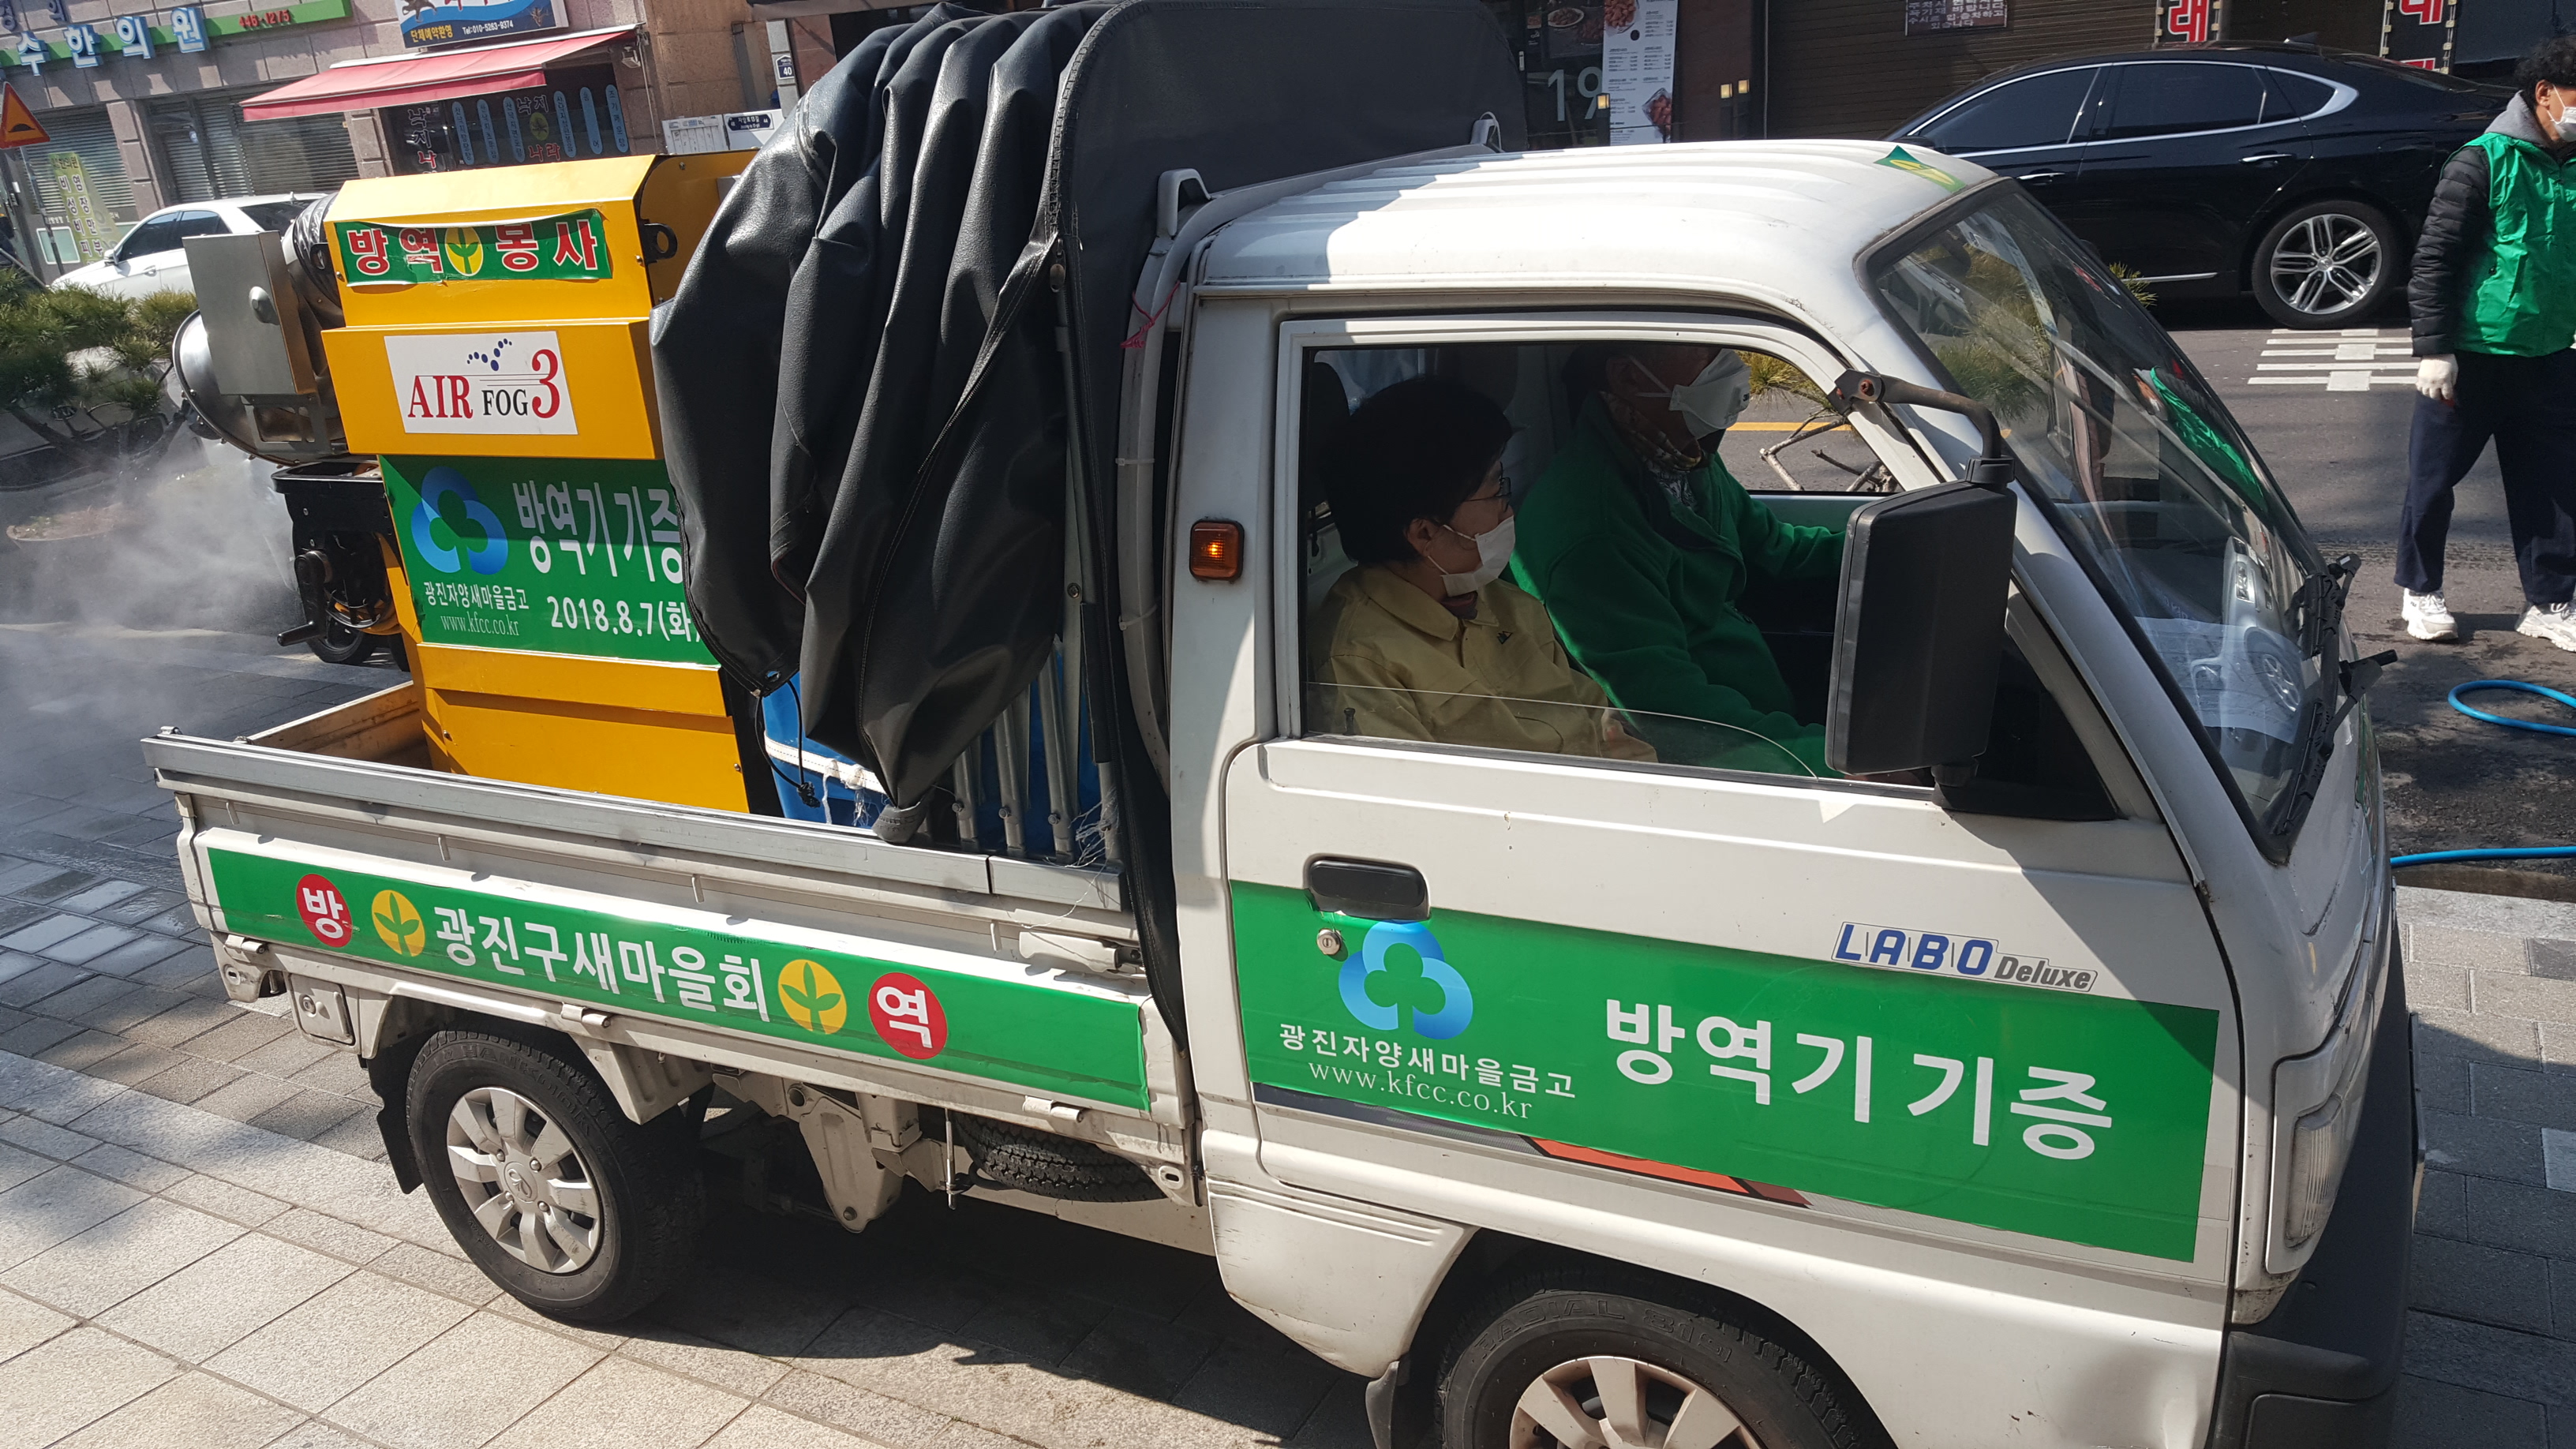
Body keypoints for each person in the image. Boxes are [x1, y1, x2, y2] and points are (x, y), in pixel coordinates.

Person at [1511, 344, 1846, 776]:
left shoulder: (1681, 455)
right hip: (1726, 755)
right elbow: (1674, 713)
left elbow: (1774, 544)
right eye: (1705, 353)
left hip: (1757, 708)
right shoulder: (1592, 532)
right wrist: (1827, 763)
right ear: (1629, 377)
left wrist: (1880, 551)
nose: (1733, 367)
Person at [1309, 376, 1651, 762]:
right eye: (1495, 491)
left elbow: (1602, 725)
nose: (1508, 510)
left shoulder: (1507, 605)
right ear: (1424, 533)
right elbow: (1408, 794)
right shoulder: (1360, 662)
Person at [2398, 35, 2576, 653]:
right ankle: (2421, 591)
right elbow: (2435, 259)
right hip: (2472, 356)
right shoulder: (2482, 161)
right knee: (2433, 480)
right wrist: (2434, 348)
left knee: (2554, 488)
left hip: (2549, 354)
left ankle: (2551, 602)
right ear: (2545, 94)